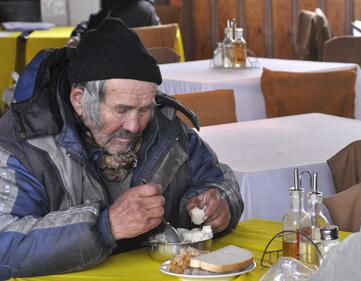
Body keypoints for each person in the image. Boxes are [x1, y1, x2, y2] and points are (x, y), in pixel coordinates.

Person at [0, 17, 244, 279]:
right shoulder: (26, 145)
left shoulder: (166, 130)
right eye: (121, 109)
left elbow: (217, 178)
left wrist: (220, 202)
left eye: (144, 109)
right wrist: (106, 226)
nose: (135, 125)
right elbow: (5, 246)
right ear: (79, 101)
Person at [67, 0, 160, 47]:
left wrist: (81, 41)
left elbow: (104, 43)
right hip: (130, 70)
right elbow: (93, 23)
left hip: (128, 73)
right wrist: (77, 35)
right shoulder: (115, 5)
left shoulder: (140, 10)